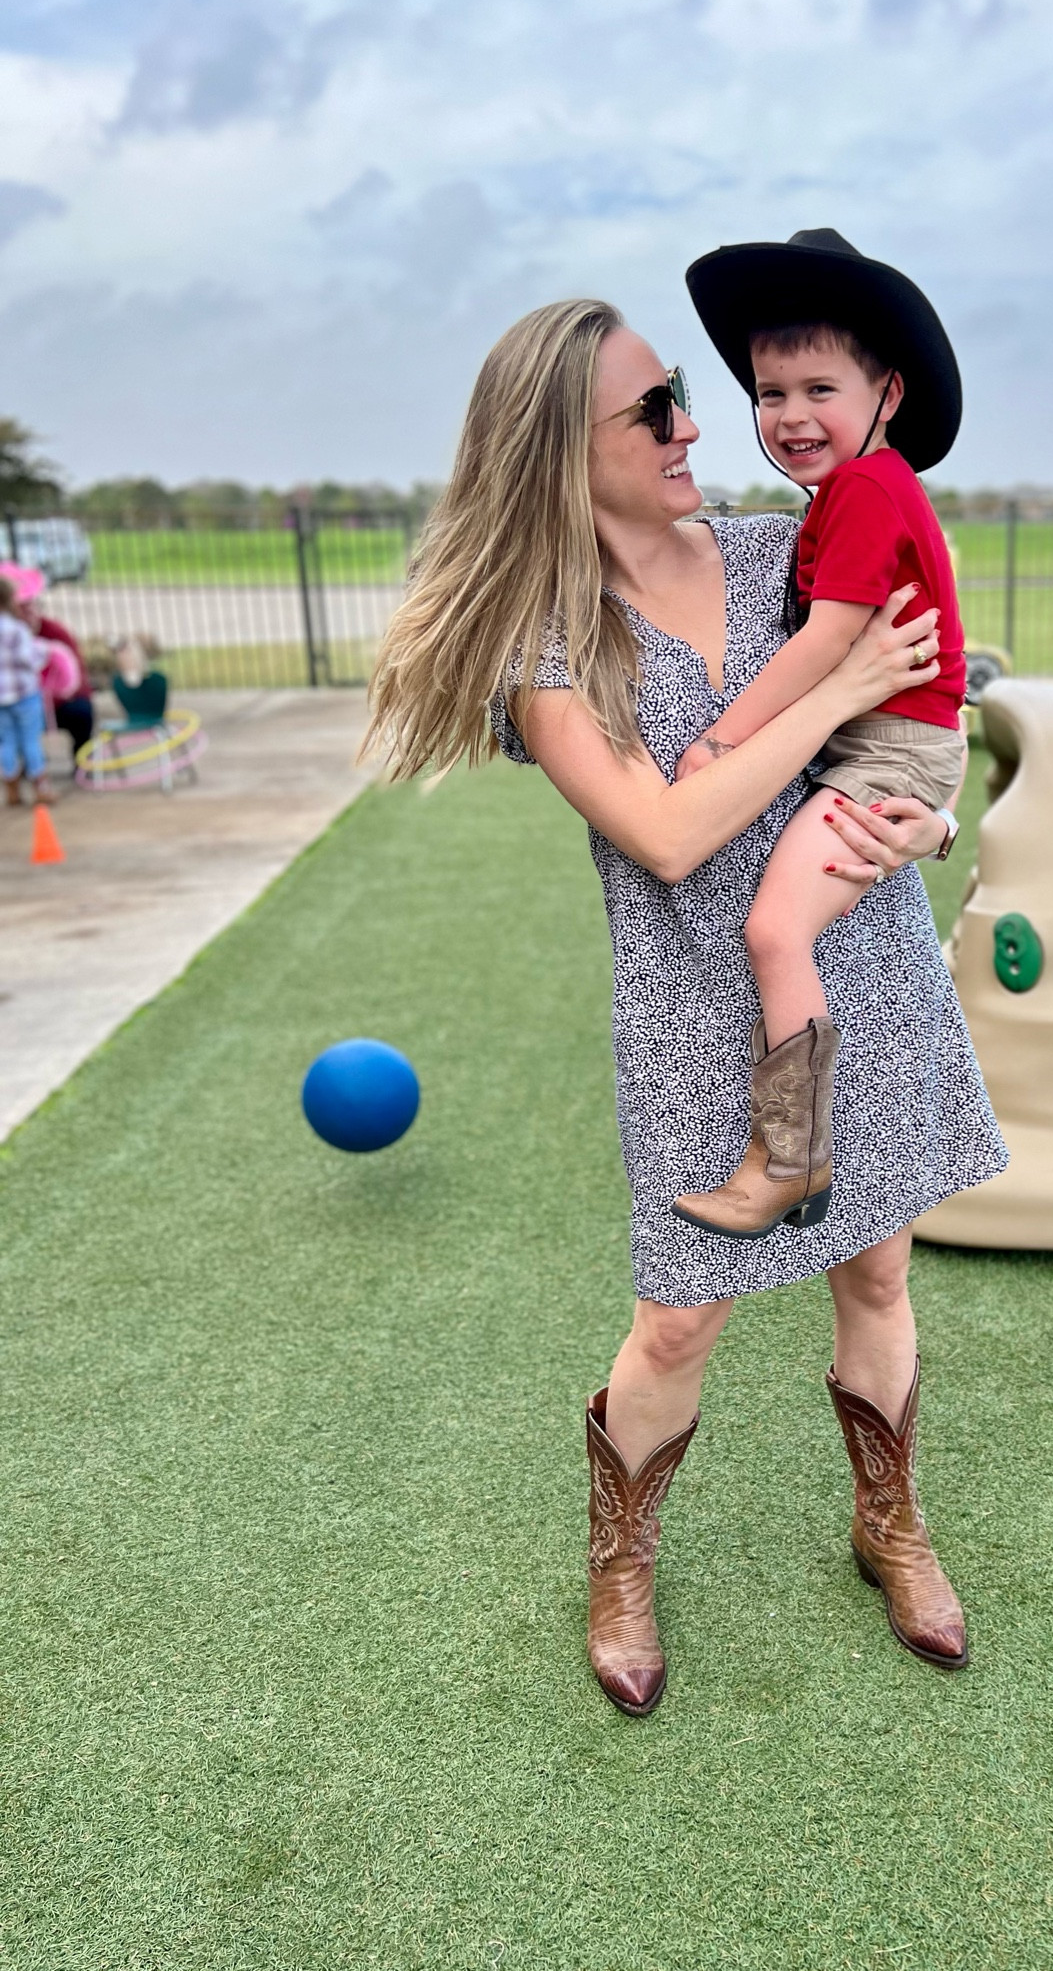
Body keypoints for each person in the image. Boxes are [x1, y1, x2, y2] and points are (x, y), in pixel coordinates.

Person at [365, 297, 1007, 1718]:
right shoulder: (549, 646)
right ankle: (622, 1560)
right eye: (654, 410)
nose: (698, 428)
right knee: (675, 1324)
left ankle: (888, 1521)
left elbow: (941, 672)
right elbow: (667, 836)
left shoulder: (789, 543)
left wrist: (917, 814)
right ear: (558, 448)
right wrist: (829, 684)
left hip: (863, 964)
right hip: (688, 1012)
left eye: (683, 400)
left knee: (880, 1274)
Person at [672, 229, 969, 1237]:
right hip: (884, 743)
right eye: (769, 393)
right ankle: (800, 1156)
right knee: (777, 930)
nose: (790, 416)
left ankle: (791, 1156)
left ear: (887, 392)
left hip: (887, 750)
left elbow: (826, 645)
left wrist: (720, 740)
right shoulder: (855, 493)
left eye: (819, 389)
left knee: (772, 929)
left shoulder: (863, 491)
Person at [1, 562, 96, 759]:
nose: (29, 613)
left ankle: (82, 760)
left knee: (81, 710)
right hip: (16, 705)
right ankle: (21, 770)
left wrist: (54, 695)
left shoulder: (54, 632)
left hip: (55, 702)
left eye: (32, 606)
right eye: (21, 608)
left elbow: (76, 677)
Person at [0, 573, 54, 806]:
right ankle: (40, 787)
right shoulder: (16, 629)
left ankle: (11, 787)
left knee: (6, 741)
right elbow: (28, 659)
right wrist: (41, 651)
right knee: (31, 740)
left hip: (1, 698)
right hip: (24, 694)